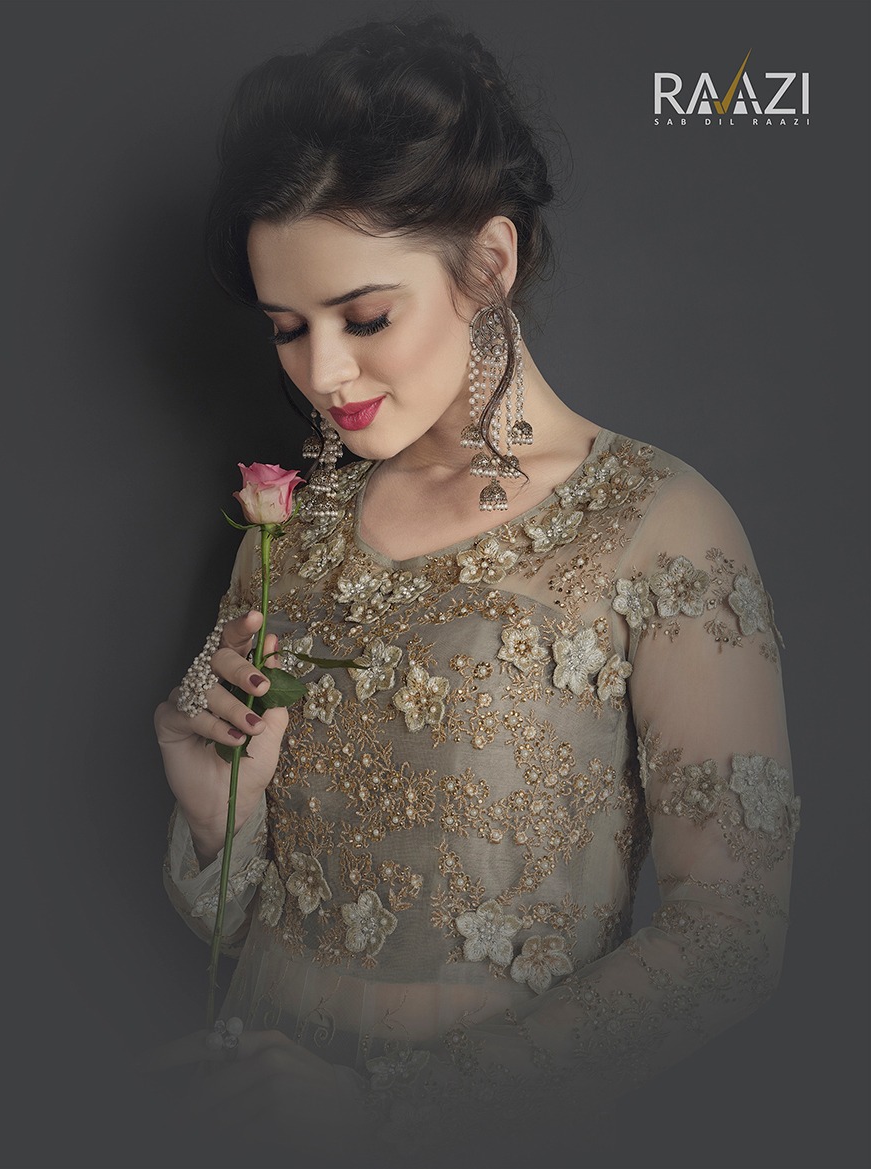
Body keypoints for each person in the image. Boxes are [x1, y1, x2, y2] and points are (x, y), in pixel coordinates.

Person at [152, 15, 799, 1168]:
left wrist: (383, 1109)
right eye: (288, 329)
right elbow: (250, 919)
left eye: (364, 316)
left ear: (488, 263)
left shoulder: (656, 524)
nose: (322, 374)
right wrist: (219, 821)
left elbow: (733, 932)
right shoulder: (293, 527)